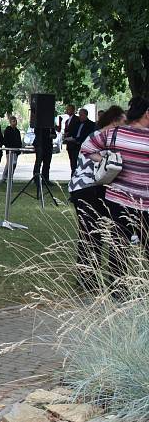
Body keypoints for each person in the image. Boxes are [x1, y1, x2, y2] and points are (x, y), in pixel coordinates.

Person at [81, 97, 149, 266]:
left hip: (116, 199)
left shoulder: (115, 133)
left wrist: (107, 163)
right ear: (147, 114)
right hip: (145, 202)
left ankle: (117, 290)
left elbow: (87, 148)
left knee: (118, 248)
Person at [68, 105, 126, 290]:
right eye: (122, 122)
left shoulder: (108, 137)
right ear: (114, 121)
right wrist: (105, 161)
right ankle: (86, 279)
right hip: (86, 189)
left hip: (94, 190)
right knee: (90, 234)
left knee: (95, 233)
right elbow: (87, 150)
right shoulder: (101, 136)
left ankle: (89, 278)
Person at [65, 108, 96, 173]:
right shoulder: (76, 123)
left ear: (86, 115)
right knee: (73, 165)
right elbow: (73, 133)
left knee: (82, 165)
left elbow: (87, 135)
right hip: (74, 147)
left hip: (83, 146)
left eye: (81, 115)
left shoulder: (91, 124)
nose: (80, 117)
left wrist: (77, 140)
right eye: (79, 115)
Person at [2, 116, 23, 181]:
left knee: (14, 164)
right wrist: (8, 147)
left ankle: (10, 177)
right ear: (10, 122)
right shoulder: (8, 130)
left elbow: (19, 140)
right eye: (13, 121)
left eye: (15, 121)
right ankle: (5, 176)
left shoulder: (17, 131)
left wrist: (19, 148)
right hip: (9, 150)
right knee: (9, 163)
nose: (15, 122)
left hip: (16, 150)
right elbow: (5, 140)